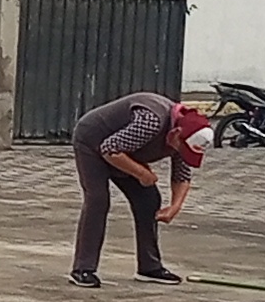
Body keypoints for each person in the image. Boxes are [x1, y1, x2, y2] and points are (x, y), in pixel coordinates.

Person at [70, 91, 206, 285]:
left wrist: (175, 207)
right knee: (98, 200)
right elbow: (110, 149)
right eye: (182, 148)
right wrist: (142, 173)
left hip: (124, 149)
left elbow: (182, 175)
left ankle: (149, 267)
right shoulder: (151, 121)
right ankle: (83, 268)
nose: (181, 152)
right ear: (176, 134)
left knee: (148, 199)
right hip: (92, 142)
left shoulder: (186, 136)